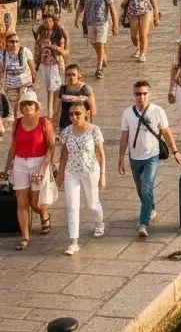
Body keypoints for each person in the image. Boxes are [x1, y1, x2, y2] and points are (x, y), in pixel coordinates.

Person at [118, 80, 181, 238]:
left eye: (144, 93)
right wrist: (120, 157)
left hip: (152, 156)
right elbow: (124, 136)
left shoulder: (158, 111)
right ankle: (151, 207)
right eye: (138, 94)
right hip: (134, 157)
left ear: (149, 94)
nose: (141, 97)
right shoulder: (127, 113)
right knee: (141, 189)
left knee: (147, 187)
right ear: (134, 95)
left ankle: (143, 223)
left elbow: (166, 132)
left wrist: (175, 152)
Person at [0, 91, 55, 250]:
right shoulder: (17, 123)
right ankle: (25, 237)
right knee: (22, 202)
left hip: (39, 162)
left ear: (36, 106)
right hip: (20, 163)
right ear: (21, 107)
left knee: (34, 202)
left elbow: (51, 147)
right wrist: (7, 168)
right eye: (24, 104)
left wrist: (44, 168)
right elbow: (13, 147)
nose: (27, 107)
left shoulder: (45, 123)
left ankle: (44, 213)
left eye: (30, 104)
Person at [56, 98, 105, 254]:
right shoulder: (66, 132)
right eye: (71, 114)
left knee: (92, 203)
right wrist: (60, 173)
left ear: (86, 114)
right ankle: (73, 242)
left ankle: (99, 222)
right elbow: (63, 154)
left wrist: (103, 175)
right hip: (72, 172)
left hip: (90, 171)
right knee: (72, 206)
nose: (74, 117)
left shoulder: (94, 130)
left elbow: (101, 154)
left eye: (77, 114)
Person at [121, 0, 159, 64]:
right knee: (134, 35)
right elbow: (124, 0)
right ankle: (138, 48)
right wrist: (124, 2)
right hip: (133, 13)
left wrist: (156, 14)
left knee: (143, 35)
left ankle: (143, 54)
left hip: (146, 12)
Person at [33, 14, 67, 120]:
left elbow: (65, 52)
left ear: (53, 22)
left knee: (54, 89)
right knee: (48, 89)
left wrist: (53, 46)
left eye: (49, 21)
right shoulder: (40, 34)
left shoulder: (58, 35)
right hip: (44, 64)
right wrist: (35, 65)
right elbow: (37, 51)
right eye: (45, 21)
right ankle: (50, 112)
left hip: (55, 64)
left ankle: (52, 113)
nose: (47, 23)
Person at [57, 64, 96, 130]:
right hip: (65, 124)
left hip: (81, 124)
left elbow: (93, 110)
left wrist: (89, 126)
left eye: (73, 74)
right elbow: (57, 108)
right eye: (68, 75)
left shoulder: (85, 89)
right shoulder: (62, 89)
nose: (71, 77)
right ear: (65, 76)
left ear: (79, 75)